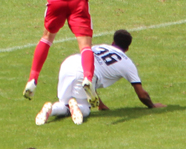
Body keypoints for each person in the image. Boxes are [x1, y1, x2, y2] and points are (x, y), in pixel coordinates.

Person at [35, 29, 165, 125]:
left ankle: (51, 109)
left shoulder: (101, 46)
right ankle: (77, 106)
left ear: (113, 42)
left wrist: (101, 105)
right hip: (85, 72)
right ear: (127, 48)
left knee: (63, 103)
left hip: (69, 63)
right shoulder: (127, 63)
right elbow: (142, 95)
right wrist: (152, 105)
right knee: (85, 109)